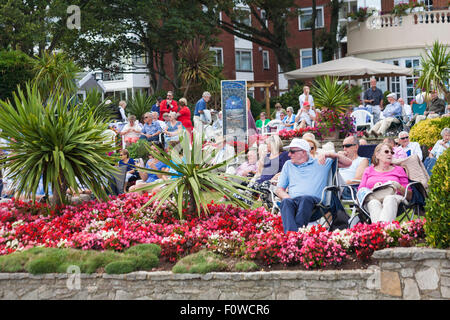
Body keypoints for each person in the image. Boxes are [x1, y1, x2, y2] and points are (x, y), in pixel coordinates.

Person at [276, 138, 352, 233]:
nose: (289, 154)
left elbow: (348, 163)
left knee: (305, 199)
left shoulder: (321, 162)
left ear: (303, 152)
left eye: (292, 151)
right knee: (286, 202)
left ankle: (294, 235)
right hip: (294, 202)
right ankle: (292, 236)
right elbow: (279, 190)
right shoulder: (288, 165)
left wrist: (329, 154)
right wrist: (287, 197)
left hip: (316, 206)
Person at [358, 143, 412, 223]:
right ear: (377, 155)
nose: (390, 154)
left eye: (392, 152)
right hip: (373, 197)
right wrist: (373, 188)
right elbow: (360, 190)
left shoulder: (399, 170)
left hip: (395, 198)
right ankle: (384, 231)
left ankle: (379, 231)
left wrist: (397, 186)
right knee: (373, 203)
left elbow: (409, 195)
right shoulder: (368, 170)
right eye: (386, 152)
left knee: (389, 198)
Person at [238, 135, 290, 208]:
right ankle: (246, 201)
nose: (266, 146)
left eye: (267, 144)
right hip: (263, 180)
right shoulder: (267, 156)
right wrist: (262, 158)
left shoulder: (284, 155)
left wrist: (277, 176)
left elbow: (287, 169)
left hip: (274, 182)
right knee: (255, 182)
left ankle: (246, 200)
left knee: (260, 185)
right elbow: (261, 171)